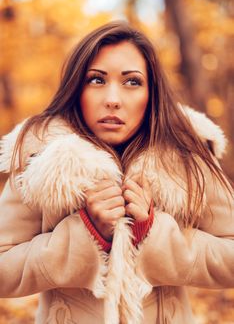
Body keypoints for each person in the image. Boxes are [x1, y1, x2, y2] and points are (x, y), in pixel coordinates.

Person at [0, 21, 233, 324]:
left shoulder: (187, 153)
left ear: (152, 93)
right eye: (96, 80)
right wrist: (83, 235)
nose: (113, 98)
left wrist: (154, 233)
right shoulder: (41, 156)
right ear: (76, 89)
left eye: (132, 82)